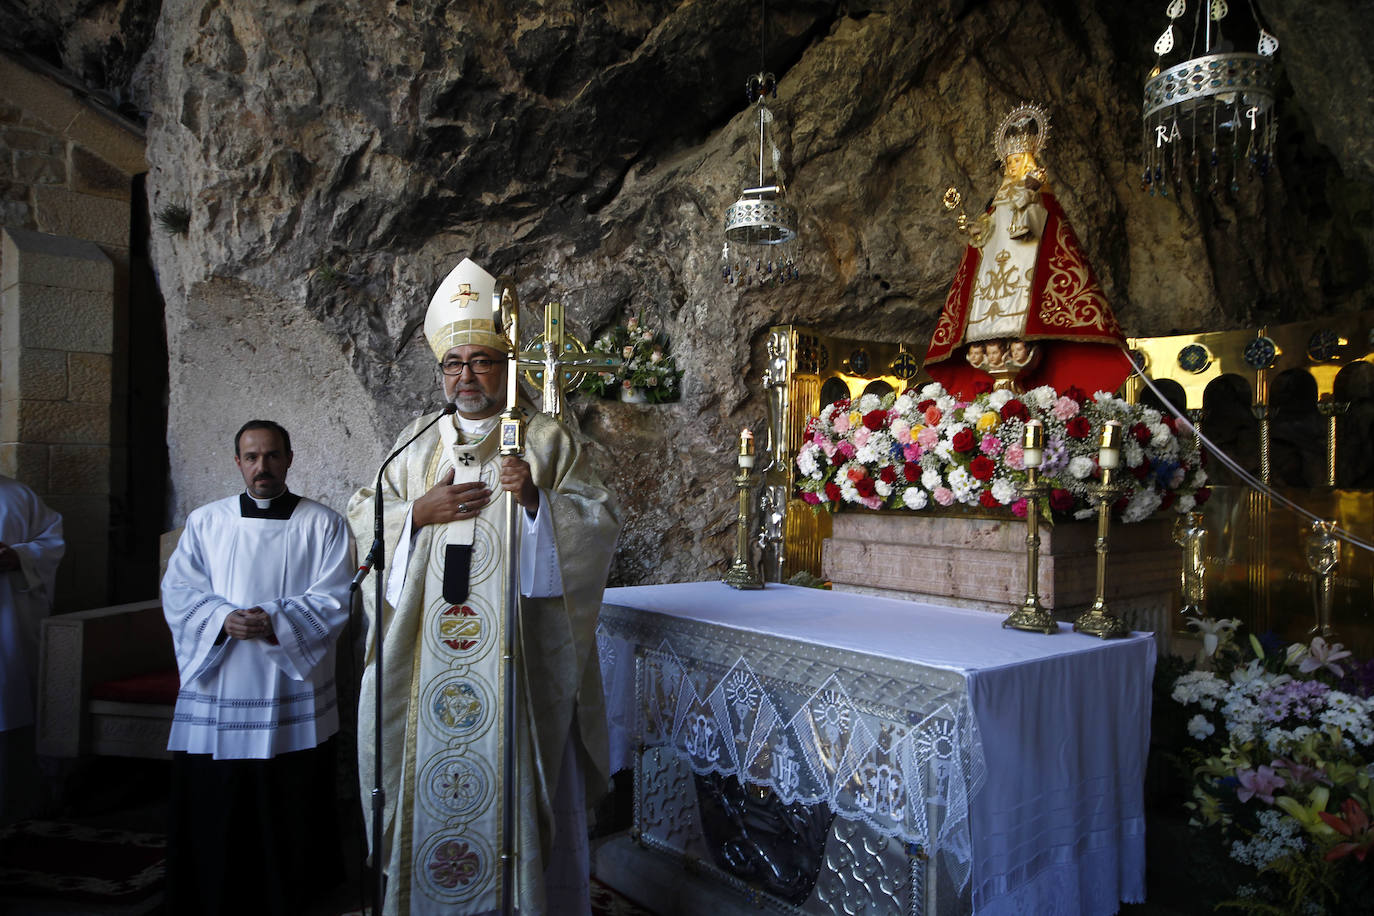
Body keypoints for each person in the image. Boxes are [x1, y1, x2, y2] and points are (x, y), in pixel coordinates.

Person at [347, 257, 619, 916]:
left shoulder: (549, 440)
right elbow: (362, 513)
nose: (467, 375)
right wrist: (416, 513)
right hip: (424, 666)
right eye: (454, 363)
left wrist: (535, 505)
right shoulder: (416, 444)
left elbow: (597, 524)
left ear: (508, 367)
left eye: (483, 361)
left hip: (516, 665)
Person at [161, 420, 353, 915]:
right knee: (217, 796)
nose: (261, 467)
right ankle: (211, 888)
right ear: (238, 462)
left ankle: (289, 889)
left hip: (287, 683)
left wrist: (275, 620)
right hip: (220, 680)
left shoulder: (324, 523)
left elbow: (334, 599)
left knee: (283, 797)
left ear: (289, 459)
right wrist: (222, 619)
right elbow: (180, 592)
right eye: (251, 457)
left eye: (271, 456)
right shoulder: (206, 521)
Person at [925, 103, 1132, 398]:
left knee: (1024, 321)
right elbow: (985, 236)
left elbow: (1036, 229)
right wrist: (976, 230)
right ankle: (994, 357)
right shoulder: (997, 201)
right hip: (993, 283)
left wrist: (1026, 203)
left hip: (1024, 274)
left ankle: (1019, 359)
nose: (1011, 167)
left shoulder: (1037, 198)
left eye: (1017, 161)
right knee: (988, 324)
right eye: (1008, 163)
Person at [0, 474, 64, 823]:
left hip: (9, 625)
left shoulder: (18, 495)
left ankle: (16, 806)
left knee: (10, 707)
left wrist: (18, 558)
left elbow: (52, 542)